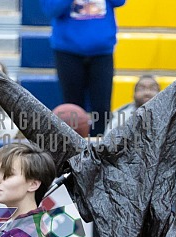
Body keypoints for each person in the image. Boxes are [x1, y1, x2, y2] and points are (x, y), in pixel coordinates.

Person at [40, 0, 126, 137]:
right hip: (68, 50)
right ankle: (73, 151)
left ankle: (101, 151)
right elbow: (51, 10)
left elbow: (120, 2)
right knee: (72, 108)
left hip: (101, 51)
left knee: (102, 108)